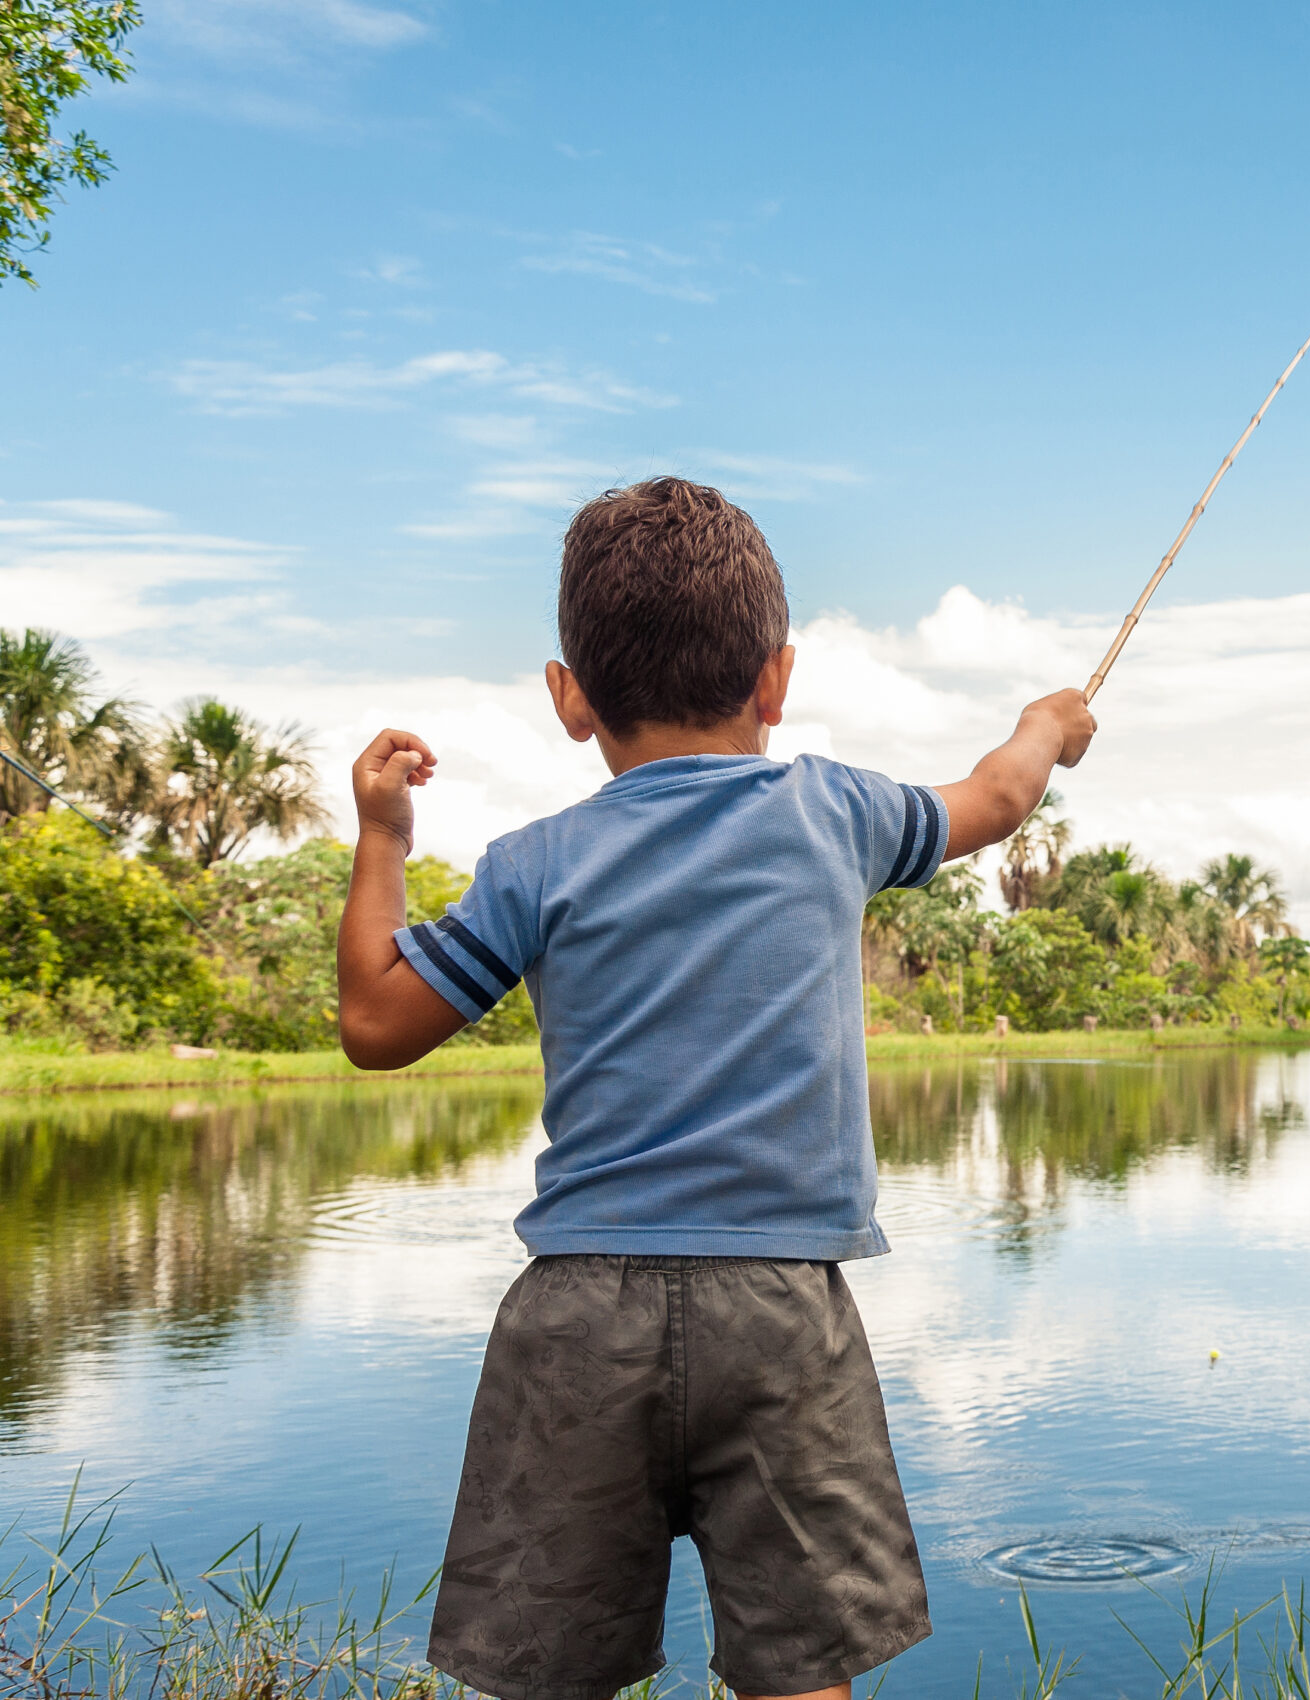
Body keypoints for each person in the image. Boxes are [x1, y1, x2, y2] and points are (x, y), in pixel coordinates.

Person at [334, 476, 1095, 1700]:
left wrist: (382, 835)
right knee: (799, 1675)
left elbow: (375, 1022)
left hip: (577, 1313)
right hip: (783, 1305)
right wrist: (1046, 723)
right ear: (777, 680)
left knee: (545, 1674)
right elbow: (999, 800)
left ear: (569, 699)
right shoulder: (837, 810)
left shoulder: (536, 862)